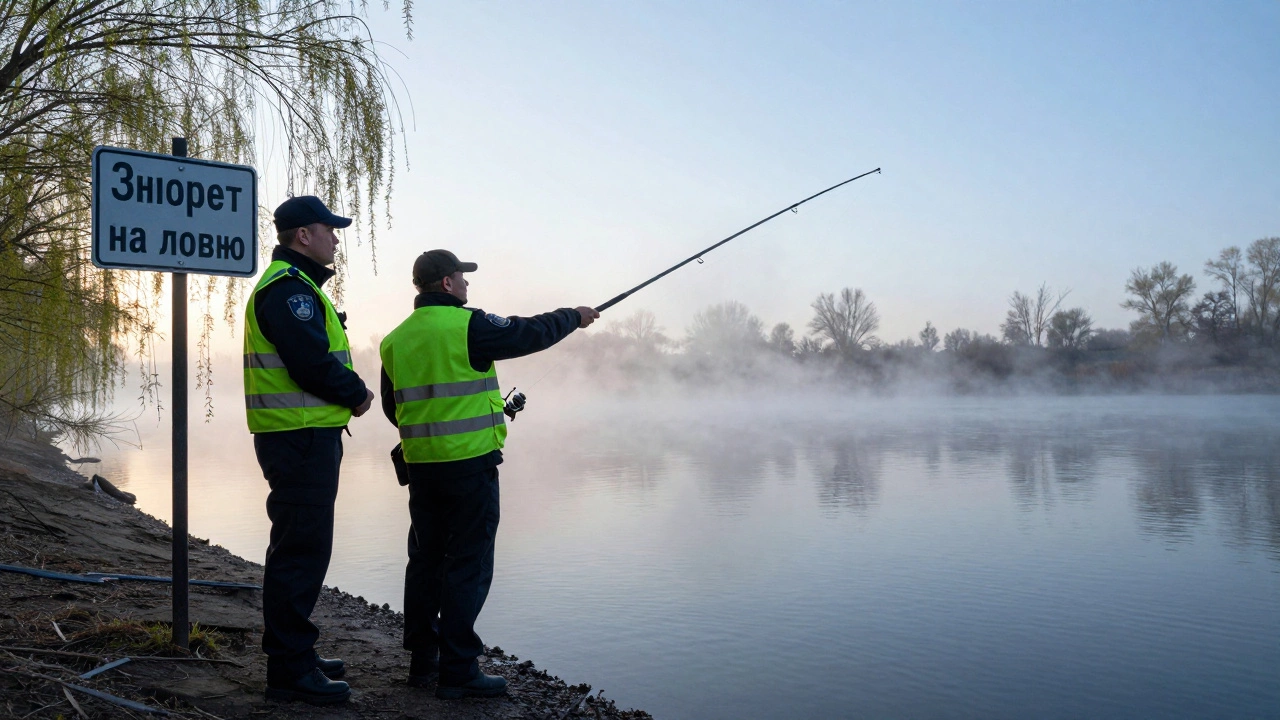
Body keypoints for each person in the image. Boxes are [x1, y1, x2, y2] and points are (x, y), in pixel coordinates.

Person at [379, 249, 599, 699]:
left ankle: (424, 661)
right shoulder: (468, 324)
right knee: (468, 564)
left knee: (425, 561)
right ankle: (459, 671)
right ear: (445, 283)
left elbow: (391, 407)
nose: (467, 284)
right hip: (470, 467)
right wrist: (573, 316)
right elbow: (529, 333)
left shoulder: (394, 339)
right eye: (462, 277)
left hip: (421, 469)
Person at [243, 196, 375, 705]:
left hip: (301, 436)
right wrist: (357, 393)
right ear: (303, 235)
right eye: (329, 229)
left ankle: (294, 652)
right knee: (300, 550)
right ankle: (290, 670)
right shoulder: (288, 291)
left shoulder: (295, 288)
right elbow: (308, 363)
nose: (336, 238)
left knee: (303, 547)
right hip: (298, 437)